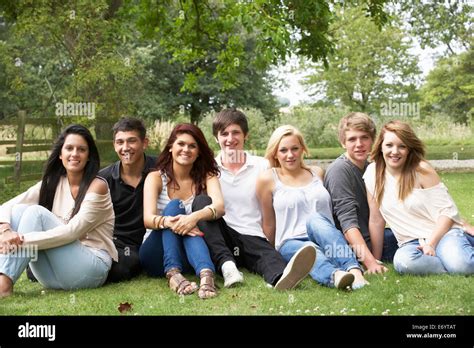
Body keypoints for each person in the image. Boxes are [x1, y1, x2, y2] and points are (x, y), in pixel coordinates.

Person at [200, 108, 316, 290]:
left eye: (236, 132)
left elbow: (286, 189)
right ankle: (227, 266)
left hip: (252, 235)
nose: (230, 139)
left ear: (246, 135)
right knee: (202, 203)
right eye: (224, 134)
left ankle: (280, 278)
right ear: (216, 138)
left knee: (270, 259)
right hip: (221, 237)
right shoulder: (208, 169)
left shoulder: (263, 165)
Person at [0, 125, 117, 298]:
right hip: (52, 277)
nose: (74, 154)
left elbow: (72, 232)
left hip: (90, 269)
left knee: (35, 213)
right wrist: (5, 230)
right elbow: (7, 206)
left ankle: (3, 285)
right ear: (61, 154)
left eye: (81, 149)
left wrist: (18, 241)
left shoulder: (97, 186)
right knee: (19, 210)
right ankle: (4, 280)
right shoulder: (53, 182)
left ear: (89, 156)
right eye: (69, 148)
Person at [256, 125, 367, 289]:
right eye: (283, 150)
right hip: (291, 241)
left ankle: (354, 271)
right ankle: (335, 276)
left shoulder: (317, 173)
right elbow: (269, 223)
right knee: (308, 251)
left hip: (325, 236)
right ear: (275, 153)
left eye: (295, 148)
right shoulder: (268, 179)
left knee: (315, 220)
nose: (290, 155)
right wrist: (270, 256)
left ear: (302, 149)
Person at [364, 120, 474, 275]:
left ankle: (458, 258)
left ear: (409, 149)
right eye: (389, 145)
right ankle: (452, 263)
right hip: (410, 243)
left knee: (462, 265)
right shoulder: (371, 174)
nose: (395, 151)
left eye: (402, 146)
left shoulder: (421, 170)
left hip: (442, 234)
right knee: (403, 263)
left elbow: (447, 213)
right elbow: (376, 219)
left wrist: (431, 244)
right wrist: (375, 260)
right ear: (381, 146)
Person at [142, 123, 221, 299]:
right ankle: (173, 273)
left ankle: (205, 276)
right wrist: (170, 221)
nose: (186, 149)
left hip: (189, 258)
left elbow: (220, 207)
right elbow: (147, 219)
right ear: (171, 147)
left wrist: (193, 218)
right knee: (174, 206)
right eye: (181, 144)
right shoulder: (155, 177)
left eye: (192, 146)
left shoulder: (207, 176)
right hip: (155, 255)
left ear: (199, 151)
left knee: (185, 218)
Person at [321, 112, 398, 274]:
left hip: (374, 239)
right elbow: (347, 224)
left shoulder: (371, 168)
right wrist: (371, 263)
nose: (359, 144)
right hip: (350, 248)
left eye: (364, 138)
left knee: (413, 234)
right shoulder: (339, 170)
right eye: (352, 139)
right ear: (343, 143)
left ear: (372, 140)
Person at [99, 117, 163, 282]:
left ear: (145, 143)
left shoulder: (161, 169)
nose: (125, 148)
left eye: (132, 141)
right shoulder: (103, 179)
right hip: (113, 242)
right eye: (120, 142)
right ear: (114, 145)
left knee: (126, 266)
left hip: (150, 239)